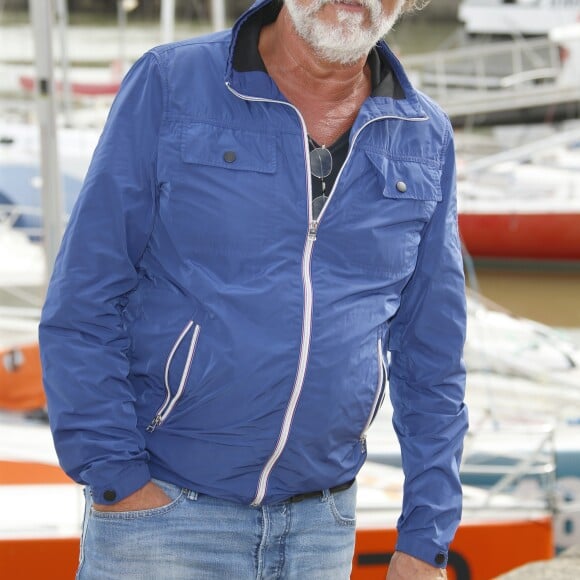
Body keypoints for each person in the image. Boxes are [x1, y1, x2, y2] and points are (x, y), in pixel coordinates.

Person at [39, 0, 468, 578]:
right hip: (164, 522)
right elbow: (84, 297)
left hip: (322, 531)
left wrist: (427, 535)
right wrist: (118, 479)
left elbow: (431, 355)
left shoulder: (425, 135)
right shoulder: (172, 83)